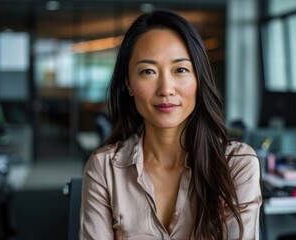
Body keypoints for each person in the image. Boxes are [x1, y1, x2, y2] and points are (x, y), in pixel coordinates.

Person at [80, 9, 262, 240]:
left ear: (199, 79)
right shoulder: (104, 169)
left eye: (181, 70)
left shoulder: (237, 164)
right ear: (128, 83)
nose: (166, 89)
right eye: (148, 71)